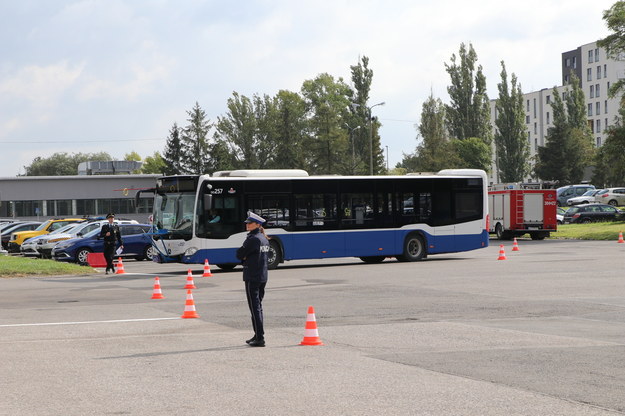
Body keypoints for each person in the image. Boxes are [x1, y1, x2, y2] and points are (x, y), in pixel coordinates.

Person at [236, 211, 269, 347]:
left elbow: (239, 254)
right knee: (258, 306)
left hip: (252, 276)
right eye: (247, 223)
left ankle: (260, 337)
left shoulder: (253, 239)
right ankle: (257, 334)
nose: (247, 225)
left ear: (257, 224)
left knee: (254, 307)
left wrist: (245, 257)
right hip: (262, 276)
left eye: (250, 223)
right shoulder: (263, 238)